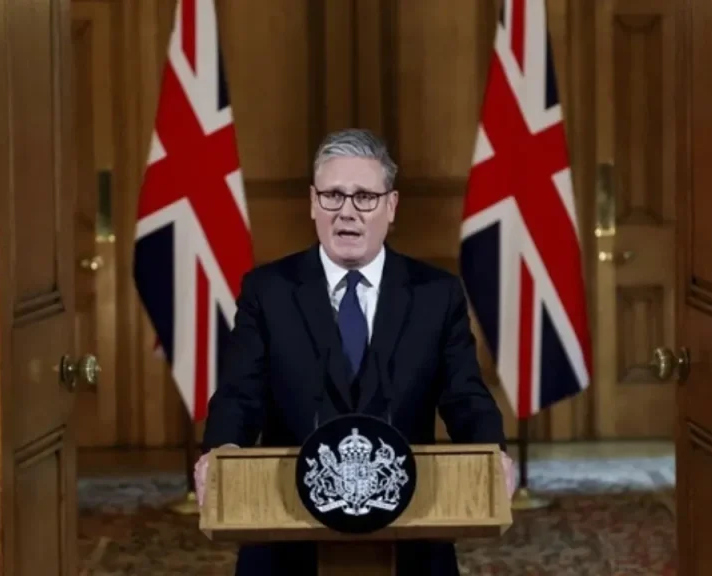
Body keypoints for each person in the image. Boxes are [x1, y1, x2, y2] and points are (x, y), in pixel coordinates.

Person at [195, 128, 517, 575]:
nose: (347, 212)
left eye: (364, 197)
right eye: (332, 196)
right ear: (313, 203)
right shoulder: (268, 291)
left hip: (412, 525)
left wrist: (491, 452)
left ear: (391, 205)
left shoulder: (436, 294)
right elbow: (239, 394)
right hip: (285, 524)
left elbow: (465, 395)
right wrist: (222, 451)